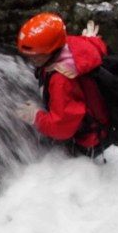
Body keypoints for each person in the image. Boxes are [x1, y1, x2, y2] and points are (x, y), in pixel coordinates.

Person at [14, 12, 110, 157]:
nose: (30, 59)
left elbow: (62, 129)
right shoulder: (74, 46)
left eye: (35, 56)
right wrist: (89, 40)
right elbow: (94, 47)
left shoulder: (61, 80)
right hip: (100, 122)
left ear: (51, 51)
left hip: (89, 140)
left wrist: (36, 117)